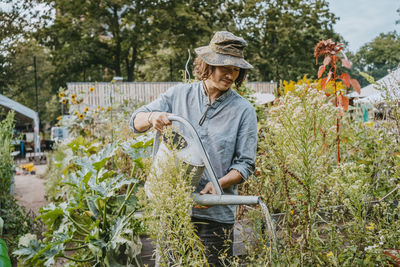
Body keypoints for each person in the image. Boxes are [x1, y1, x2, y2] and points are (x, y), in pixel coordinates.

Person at [129, 31, 257, 266]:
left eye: (236, 69)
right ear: (208, 65)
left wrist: (218, 184)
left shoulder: (243, 110)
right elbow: (135, 121)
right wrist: (152, 117)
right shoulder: (179, 95)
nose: (231, 75)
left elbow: (245, 164)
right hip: (174, 210)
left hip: (215, 214)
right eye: (225, 67)